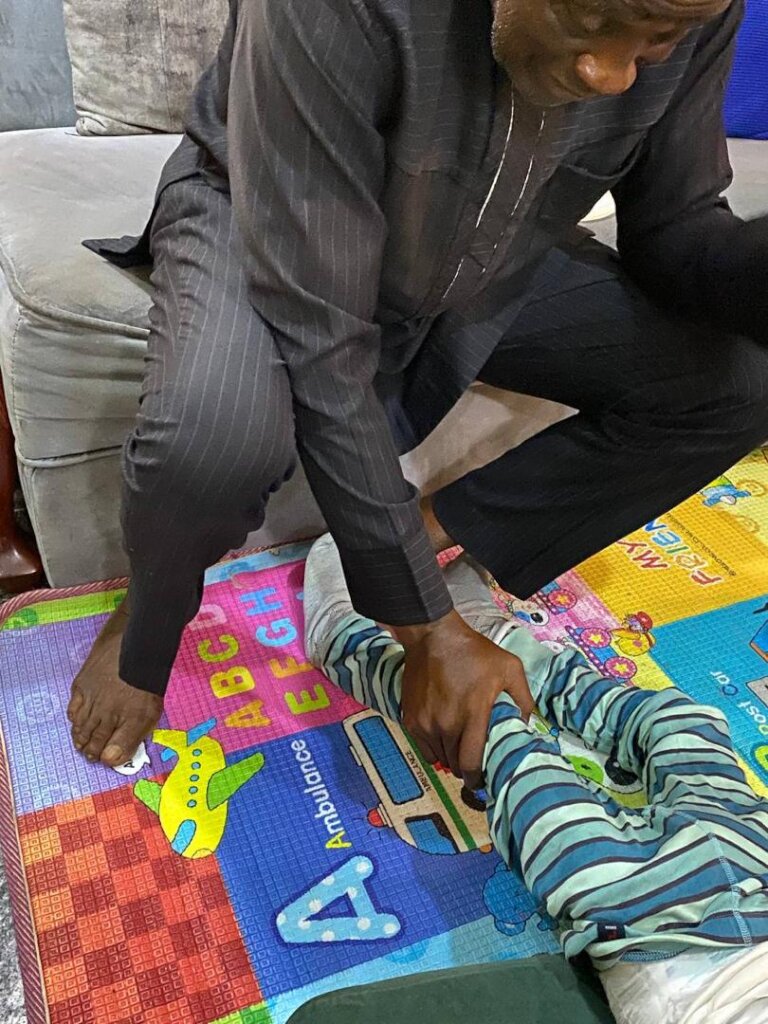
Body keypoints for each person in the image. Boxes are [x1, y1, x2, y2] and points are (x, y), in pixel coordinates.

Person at [69, 0, 768, 774]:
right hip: (263, 213)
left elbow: (674, 226)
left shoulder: (695, 5)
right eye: (593, 22)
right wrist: (423, 627)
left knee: (739, 383)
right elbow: (323, 334)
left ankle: (429, 535)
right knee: (212, 442)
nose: (612, 74)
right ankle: (152, 607)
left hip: (479, 246)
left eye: (658, 41)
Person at [303, 533, 768, 1024]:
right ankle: (507, 646)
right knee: (684, 720)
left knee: (493, 729)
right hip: (755, 856)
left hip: (650, 919)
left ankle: (348, 645)